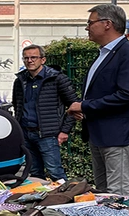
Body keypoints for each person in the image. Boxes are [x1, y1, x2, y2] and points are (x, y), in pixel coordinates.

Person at [68, 4, 129, 196]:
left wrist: (85, 106)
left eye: (90, 22)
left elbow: (127, 94)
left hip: (118, 134)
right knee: (103, 193)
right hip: (100, 133)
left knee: (118, 194)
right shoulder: (104, 54)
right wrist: (85, 108)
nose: (87, 27)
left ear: (107, 24)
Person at [12, 44, 79, 181]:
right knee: (34, 174)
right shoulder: (20, 81)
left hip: (48, 135)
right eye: (26, 58)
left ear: (43, 60)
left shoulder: (57, 79)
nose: (29, 61)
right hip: (26, 134)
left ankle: (64, 200)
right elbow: (17, 105)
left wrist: (65, 131)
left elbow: (75, 106)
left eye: (33, 57)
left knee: (55, 173)